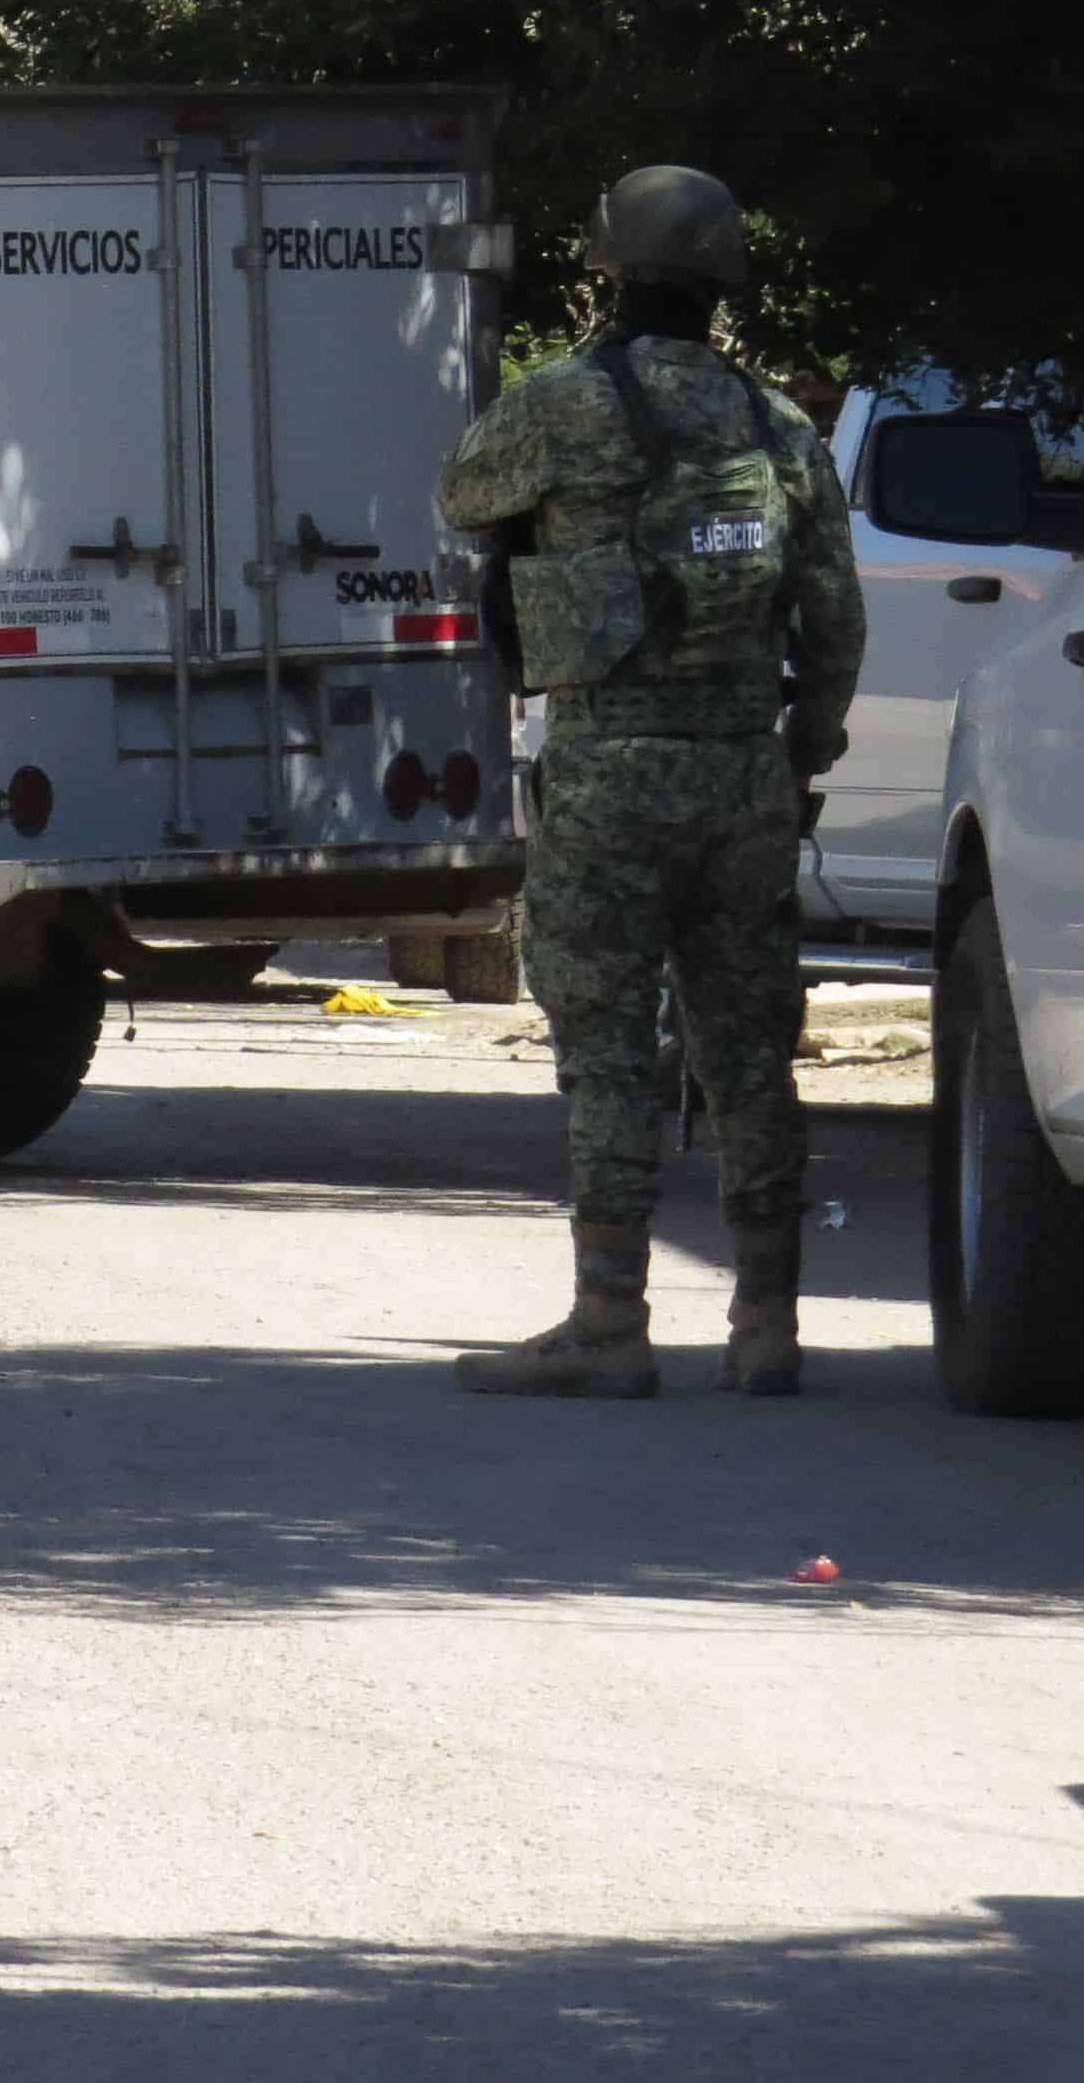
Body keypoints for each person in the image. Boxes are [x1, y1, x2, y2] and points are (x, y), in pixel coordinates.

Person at [435, 164, 861, 1401]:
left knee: (608, 1051)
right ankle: (767, 1325)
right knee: (747, 1053)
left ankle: (609, 1323)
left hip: (608, 770)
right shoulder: (778, 425)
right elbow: (832, 621)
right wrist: (798, 751)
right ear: (723, 283)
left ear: (609, 267)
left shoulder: (560, 403)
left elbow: (462, 495)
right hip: (742, 775)